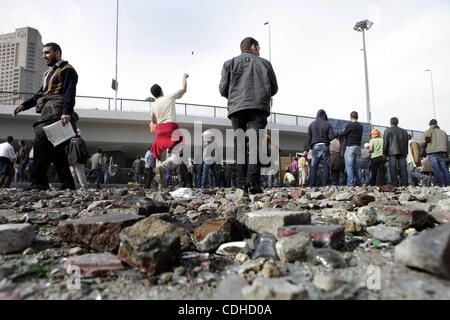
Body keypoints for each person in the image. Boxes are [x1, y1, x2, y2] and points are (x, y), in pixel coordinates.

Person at [13, 42, 78, 191]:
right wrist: (24, 105)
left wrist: (66, 111)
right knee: (57, 151)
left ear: (58, 53)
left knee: (41, 143)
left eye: (47, 53)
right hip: (48, 110)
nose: (44, 56)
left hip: (56, 111)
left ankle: (39, 182)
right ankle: (67, 184)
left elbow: (69, 92)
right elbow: (40, 94)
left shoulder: (67, 70)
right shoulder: (47, 74)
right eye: (43, 54)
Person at [219, 37, 278, 195]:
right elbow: (274, 88)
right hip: (258, 108)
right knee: (255, 145)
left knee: (240, 145)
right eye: (259, 48)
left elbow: (223, 89)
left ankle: (242, 184)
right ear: (253, 46)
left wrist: (236, 97)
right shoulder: (265, 64)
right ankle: (254, 184)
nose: (259, 51)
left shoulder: (229, 64)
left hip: (237, 109)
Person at [150, 73, 189, 185]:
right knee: (177, 156)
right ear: (161, 90)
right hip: (171, 127)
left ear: (153, 95)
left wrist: (153, 124)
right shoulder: (169, 97)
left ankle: (160, 183)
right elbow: (184, 89)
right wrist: (184, 77)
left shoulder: (153, 106)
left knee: (158, 154)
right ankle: (162, 168)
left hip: (160, 129)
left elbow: (154, 122)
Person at [307, 109, 335, 187]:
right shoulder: (327, 124)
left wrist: (311, 146)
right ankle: (324, 184)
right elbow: (332, 136)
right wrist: (326, 140)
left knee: (313, 166)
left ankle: (312, 184)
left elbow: (309, 137)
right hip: (325, 146)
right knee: (326, 166)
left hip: (315, 146)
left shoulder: (312, 124)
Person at [420, 119, 450, 187]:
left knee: (436, 169)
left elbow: (422, 144)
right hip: (441, 152)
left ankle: (438, 184)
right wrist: (447, 154)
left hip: (431, 152)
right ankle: (448, 184)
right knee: (444, 168)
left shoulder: (426, 132)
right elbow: (447, 144)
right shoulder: (443, 132)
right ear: (436, 124)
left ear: (430, 124)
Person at [382, 117, 409, 187]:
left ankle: (394, 184)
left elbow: (385, 143)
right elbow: (406, 143)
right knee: (403, 168)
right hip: (402, 152)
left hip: (392, 152)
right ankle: (405, 184)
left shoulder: (387, 130)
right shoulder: (404, 131)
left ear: (390, 123)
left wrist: (384, 153)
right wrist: (406, 153)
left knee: (393, 168)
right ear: (397, 122)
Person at [342, 111, 363, 187]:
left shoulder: (349, 125)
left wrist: (344, 130)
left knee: (349, 166)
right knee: (358, 166)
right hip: (358, 147)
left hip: (350, 147)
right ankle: (359, 183)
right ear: (357, 117)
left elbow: (343, 134)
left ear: (350, 117)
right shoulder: (360, 126)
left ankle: (350, 183)